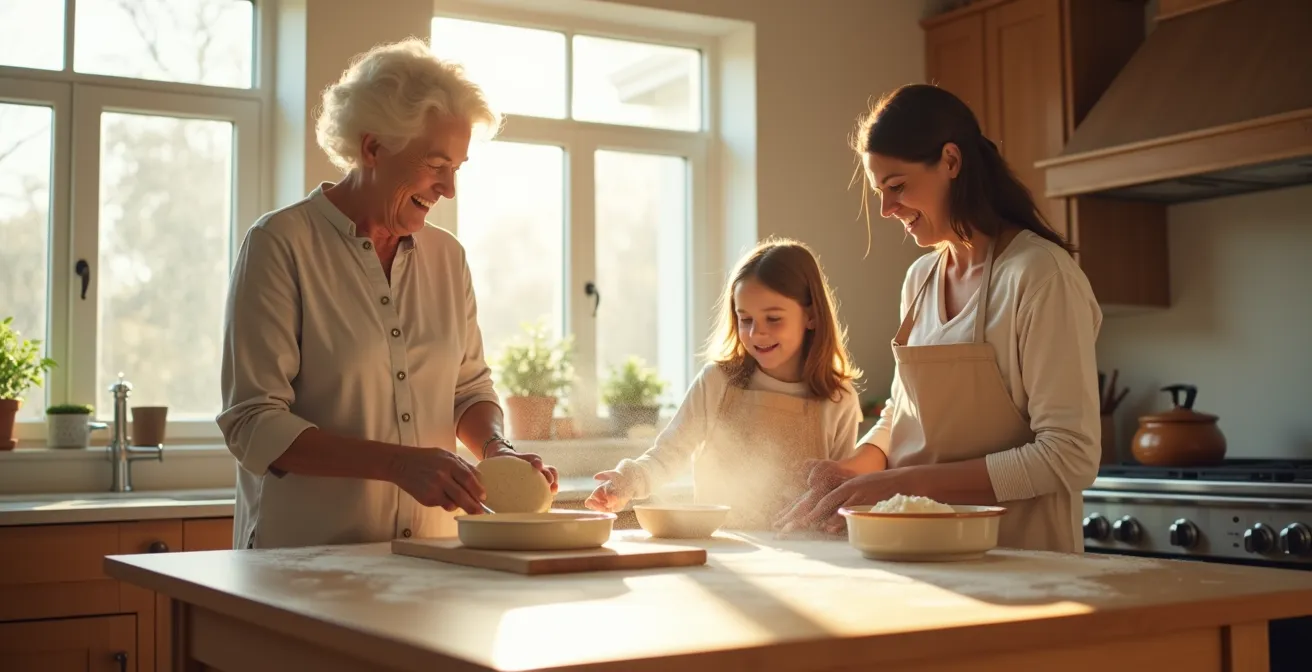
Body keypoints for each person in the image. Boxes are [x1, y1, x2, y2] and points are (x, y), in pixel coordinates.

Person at [217, 39, 557, 550]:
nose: (448, 188)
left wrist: (495, 448)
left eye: (457, 168)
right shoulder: (280, 245)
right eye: (435, 163)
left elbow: (468, 390)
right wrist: (398, 464)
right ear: (372, 148)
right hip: (306, 564)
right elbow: (254, 422)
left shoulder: (449, 258)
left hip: (433, 560)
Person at [775, 84, 1102, 554]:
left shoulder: (1040, 275)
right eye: (880, 192)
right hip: (922, 555)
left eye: (898, 186)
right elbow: (904, 414)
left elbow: (1069, 455)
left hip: (1022, 565)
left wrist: (899, 485)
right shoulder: (921, 278)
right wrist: (857, 468)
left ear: (951, 161)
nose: (887, 210)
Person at [584, 238, 865, 529]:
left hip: (802, 553)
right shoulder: (717, 383)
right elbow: (669, 455)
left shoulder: (838, 399)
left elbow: (836, 494)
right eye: (745, 320)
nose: (757, 333)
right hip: (721, 551)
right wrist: (629, 481)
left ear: (811, 316)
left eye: (773, 319)